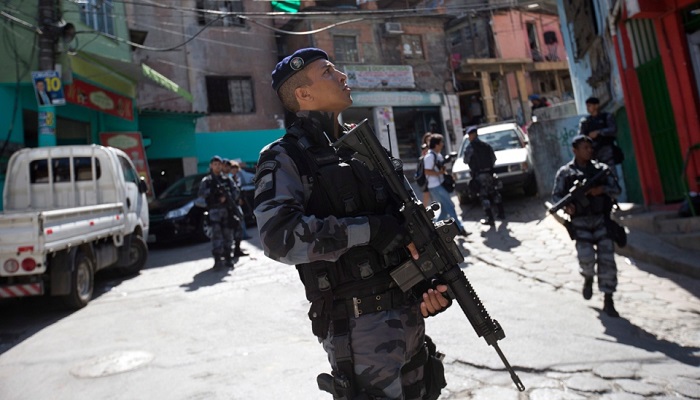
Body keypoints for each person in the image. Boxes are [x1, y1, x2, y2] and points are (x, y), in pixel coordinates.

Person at [254, 47, 451, 399]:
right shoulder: (285, 156)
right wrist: (370, 230)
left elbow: (408, 218)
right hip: (360, 328)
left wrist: (428, 282)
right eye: (328, 72)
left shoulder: (365, 146)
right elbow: (278, 238)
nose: (342, 76)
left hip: (408, 317)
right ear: (304, 94)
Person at [552, 135, 622, 317]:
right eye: (585, 148)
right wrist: (567, 206)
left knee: (607, 259)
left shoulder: (601, 170)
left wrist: (602, 190)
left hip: (601, 219)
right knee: (586, 258)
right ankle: (588, 278)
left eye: (590, 148)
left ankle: (608, 299)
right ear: (575, 150)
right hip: (580, 222)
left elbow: (617, 189)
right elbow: (556, 196)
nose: (589, 151)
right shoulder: (565, 173)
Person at [423, 133, 468, 236]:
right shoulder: (429, 156)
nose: (442, 144)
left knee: (444, 209)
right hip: (435, 186)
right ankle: (459, 229)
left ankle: (433, 229)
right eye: (441, 143)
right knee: (450, 206)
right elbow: (426, 171)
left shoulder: (437, 155)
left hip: (440, 184)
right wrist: (439, 173)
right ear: (436, 144)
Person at [198, 156, 239, 269]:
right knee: (216, 236)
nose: (217, 166)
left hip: (227, 211)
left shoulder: (227, 179)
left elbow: (236, 192)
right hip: (214, 211)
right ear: (211, 166)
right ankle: (217, 259)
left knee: (228, 235)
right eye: (215, 164)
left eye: (219, 164)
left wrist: (227, 197)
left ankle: (228, 257)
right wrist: (213, 192)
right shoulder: (207, 180)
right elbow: (201, 193)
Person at [463, 128, 504, 225]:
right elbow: (493, 159)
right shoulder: (486, 145)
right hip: (489, 173)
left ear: (473, 135)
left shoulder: (470, 147)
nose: (469, 137)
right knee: (494, 193)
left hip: (479, 175)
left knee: (483, 196)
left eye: (469, 135)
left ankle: (490, 219)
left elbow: (465, 160)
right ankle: (501, 213)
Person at [578, 97, 618, 174]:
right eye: (587, 106)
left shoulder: (606, 117)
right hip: (593, 153)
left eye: (589, 106)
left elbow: (613, 129)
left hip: (606, 151)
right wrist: (588, 137)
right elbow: (580, 137)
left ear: (596, 106)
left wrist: (599, 132)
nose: (587, 108)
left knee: (611, 174)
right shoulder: (585, 122)